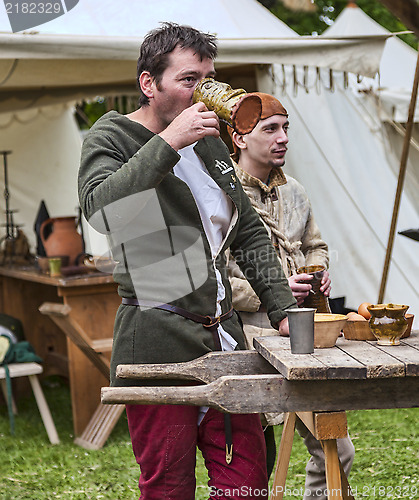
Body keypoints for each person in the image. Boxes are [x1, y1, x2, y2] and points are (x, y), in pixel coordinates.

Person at [78, 24, 297, 500]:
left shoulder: (212, 140)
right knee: (168, 488)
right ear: (148, 83)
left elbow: (247, 229)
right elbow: (101, 212)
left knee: (246, 486)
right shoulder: (112, 135)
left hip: (226, 340)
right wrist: (168, 142)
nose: (206, 90)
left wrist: (282, 311)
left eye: (210, 77)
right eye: (190, 79)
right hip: (157, 340)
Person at [227, 92, 355, 499]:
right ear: (240, 138)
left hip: (301, 337)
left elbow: (314, 244)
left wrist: (317, 272)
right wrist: (271, 295)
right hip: (247, 339)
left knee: (336, 447)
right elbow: (215, 279)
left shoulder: (295, 190)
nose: (282, 138)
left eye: (286, 129)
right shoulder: (221, 196)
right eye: (270, 129)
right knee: (255, 463)